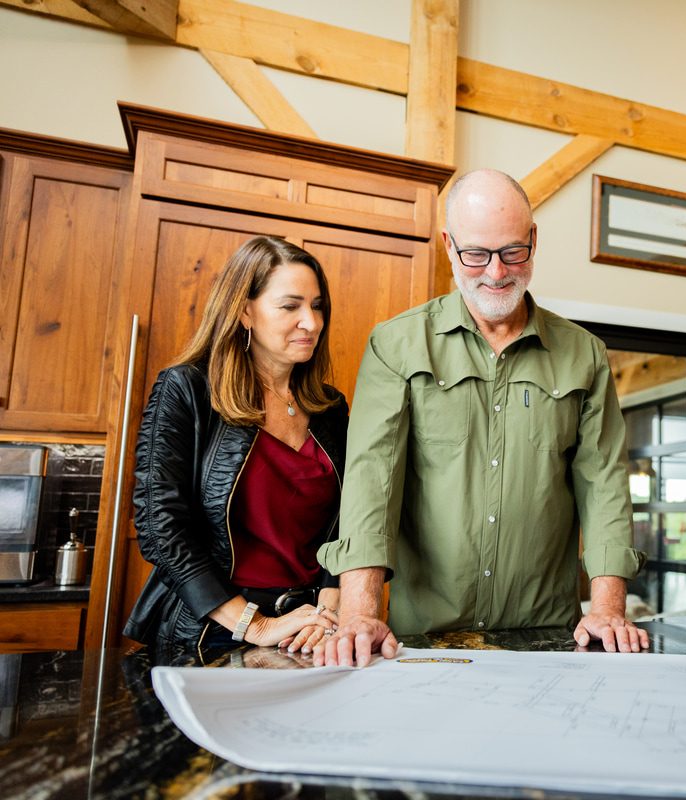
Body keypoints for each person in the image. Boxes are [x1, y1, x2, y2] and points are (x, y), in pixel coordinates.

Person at [315, 169, 646, 667]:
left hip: (547, 639)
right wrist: (359, 612)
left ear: (533, 240)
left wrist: (608, 609)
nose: (496, 272)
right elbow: (371, 482)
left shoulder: (586, 355)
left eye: (513, 251)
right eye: (476, 254)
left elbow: (605, 486)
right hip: (424, 639)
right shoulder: (396, 345)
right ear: (449, 246)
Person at [124, 236, 347, 652]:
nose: (312, 322)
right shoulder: (187, 389)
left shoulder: (330, 408)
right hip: (214, 632)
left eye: (317, 306)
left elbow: (348, 522)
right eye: (290, 306)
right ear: (245, 311)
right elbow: (160, 525)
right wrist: (255, 626)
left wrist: (328, 612)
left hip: (310, 628)